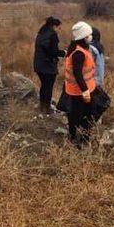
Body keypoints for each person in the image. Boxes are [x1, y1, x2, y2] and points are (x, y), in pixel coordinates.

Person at [64, 21, 96, 149]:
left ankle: (78, 137)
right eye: (89, 35)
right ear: (83, 37)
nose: (90, 37)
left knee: (79, 115)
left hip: (81, 89)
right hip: (79, 91)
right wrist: (85, 91)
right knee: (81, 116)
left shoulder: (79, 48)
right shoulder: (78, 53)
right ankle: (79, 139)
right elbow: (77, 73)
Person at [33, 16, 66, 114]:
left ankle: (42, 106)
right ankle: (47, 108)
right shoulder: (52, 34)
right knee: (48, 87)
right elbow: (53, 51)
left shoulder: (41, 33)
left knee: (44, 86)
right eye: (58, 28)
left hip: (38, 64)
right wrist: (64, 53)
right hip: (47, 65)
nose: (59, 30)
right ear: (54, 26)